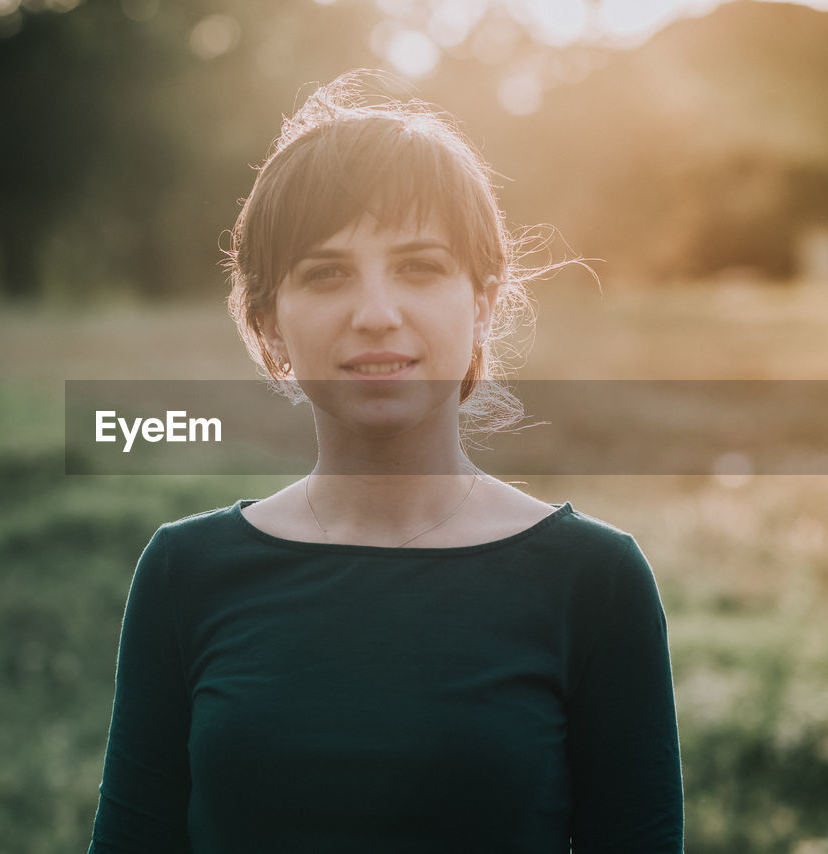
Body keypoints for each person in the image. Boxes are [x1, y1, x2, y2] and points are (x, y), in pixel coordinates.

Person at [87, 70, 684, 853]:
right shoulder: (183, 574)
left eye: (419, 267)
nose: (375, 314)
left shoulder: (595, 583)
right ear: (267, 325)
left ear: (483, 302)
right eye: (326, 273)